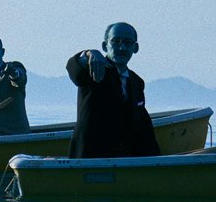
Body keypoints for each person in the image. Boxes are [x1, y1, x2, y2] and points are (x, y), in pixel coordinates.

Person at [67, 22, 159, 158]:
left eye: (128, 42)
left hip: (122, 162)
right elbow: (74, 70)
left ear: (136, 47)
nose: (122, 47)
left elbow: (142, 126)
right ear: (105, 46)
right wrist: (89, 53)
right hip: (88, 160)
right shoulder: (94, 69)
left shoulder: (136, 82)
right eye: (115, 41)